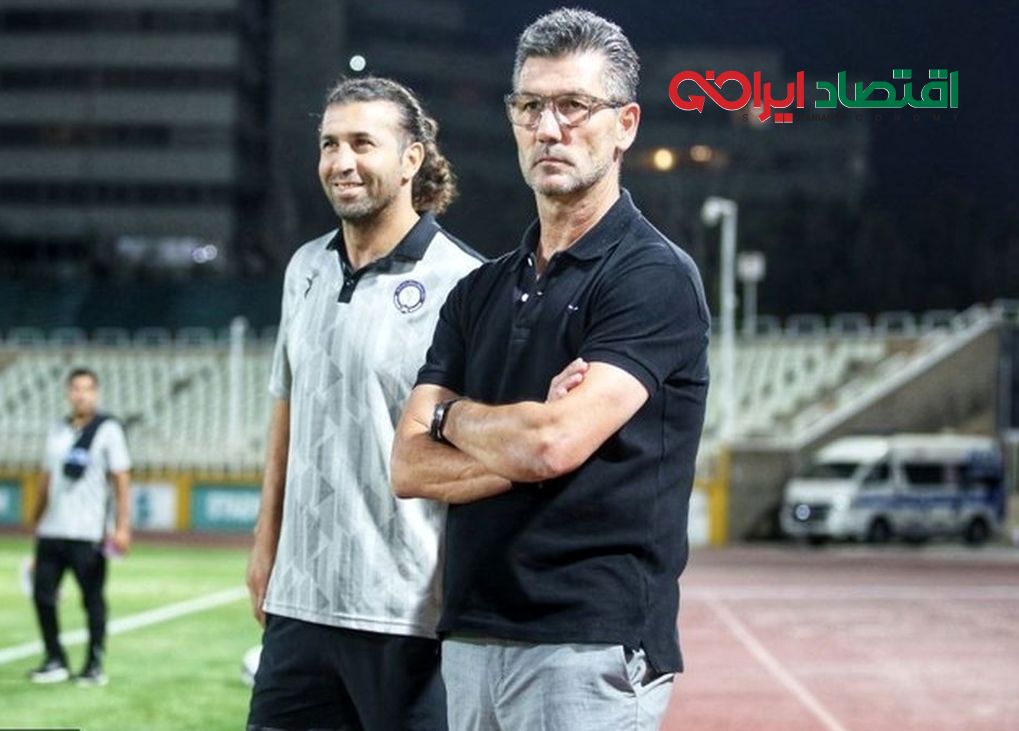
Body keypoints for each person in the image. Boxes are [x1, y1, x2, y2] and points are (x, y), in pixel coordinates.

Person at [390, 8, 710, 730]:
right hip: (472, 633)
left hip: (588, 641)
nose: (548, 127)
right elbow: (408, 466)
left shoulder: (652, 277)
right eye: (530, 106)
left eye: (574, 106)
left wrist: (450, 417)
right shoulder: (477, 291)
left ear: (625, 124)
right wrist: (523, 436)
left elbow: (549, 443)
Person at [245, 76, 483, 730]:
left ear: (411, 160)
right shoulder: (304, 269)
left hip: (408, 614)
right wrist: (266, 541)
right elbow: (286, 409)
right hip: (299, 604)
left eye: (361, 143)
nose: (341, 162)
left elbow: (482, 446)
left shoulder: (465, 283)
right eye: (329, 144)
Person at [27, 367, 132, 687]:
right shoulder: (57, 430)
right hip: (53, 529)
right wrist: (35, 519)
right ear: (68, 393)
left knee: (92, 599)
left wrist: (122, 526)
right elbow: (46, 479)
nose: (81, 395)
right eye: (75, 388)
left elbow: (121, 479)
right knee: (42, 594)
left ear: (96, 393)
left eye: (87, 389)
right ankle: (54, 659)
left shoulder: (108, 429)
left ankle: (93, 664)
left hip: (88, 532)